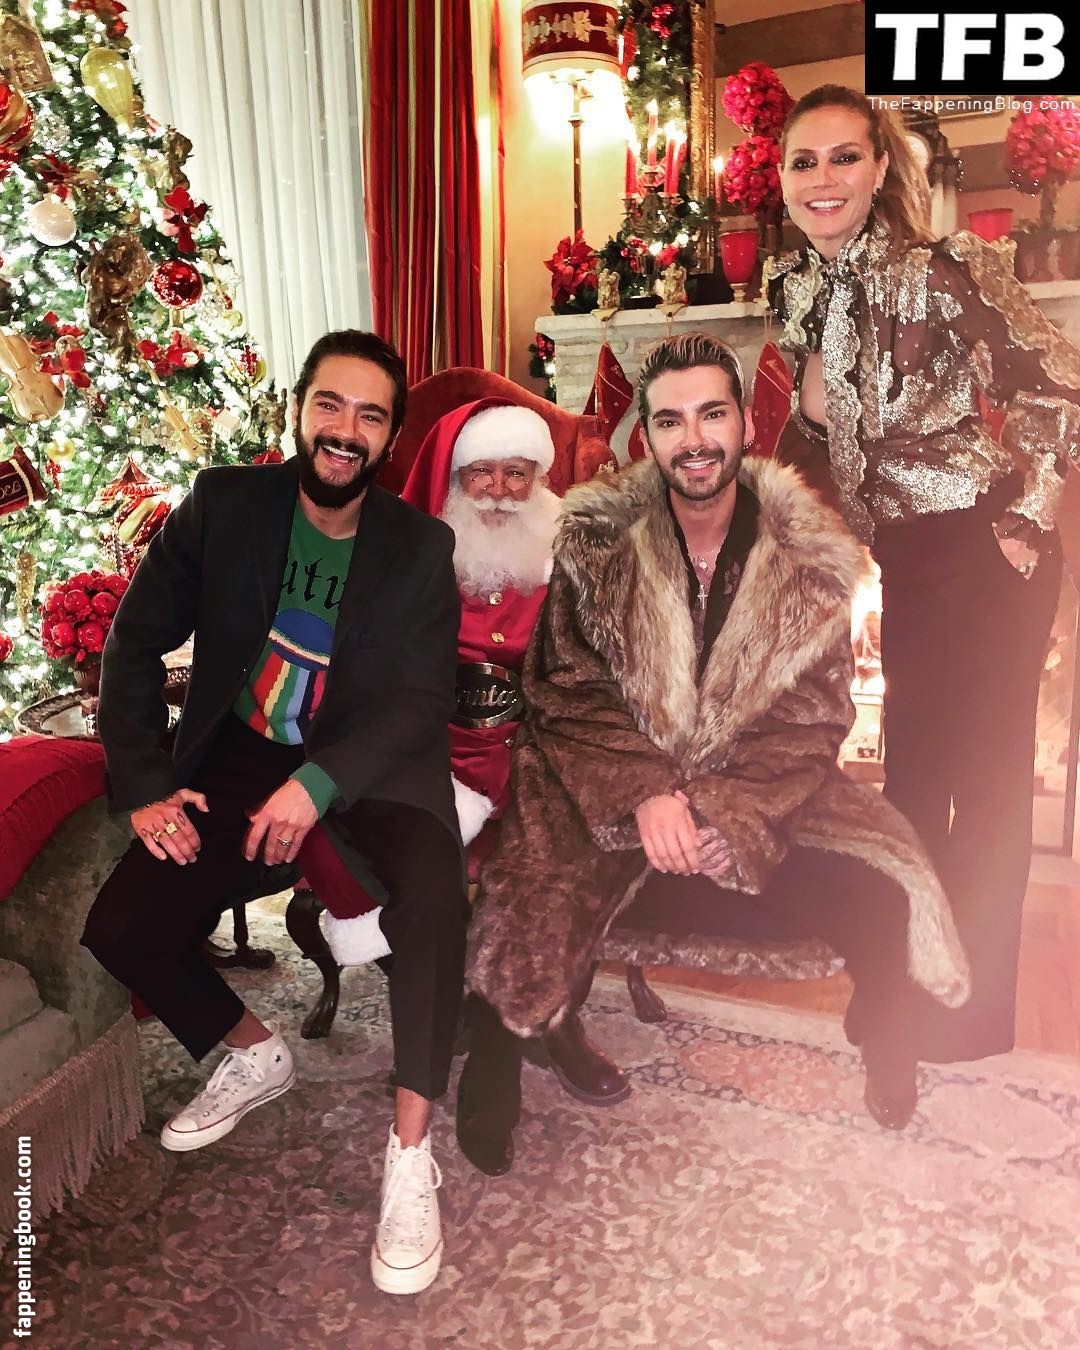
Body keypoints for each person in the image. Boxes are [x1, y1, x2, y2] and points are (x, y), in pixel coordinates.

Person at [461, 332, 970, 1170]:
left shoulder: (808, 559)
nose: (693, 439)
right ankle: (506, 1051)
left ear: (745, 423)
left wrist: (724, 810)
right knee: (530, 893)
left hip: (755, 784)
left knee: (885, 879)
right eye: (671, 421)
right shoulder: (595, 544)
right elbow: (566, 692)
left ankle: (886, 1031)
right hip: (608, 782)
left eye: (712, 415)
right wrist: (645, 791)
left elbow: (812, 719)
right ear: (648, 435)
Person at [82, 330, 466, 1297]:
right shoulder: (225, 505)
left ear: (390, 440)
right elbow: (133, 642)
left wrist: (320, 784)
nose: (345, 430)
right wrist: (143, 782)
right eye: (329, 404)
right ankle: (255, 1053)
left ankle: (410, 1155)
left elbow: (420, 702)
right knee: (121, 924)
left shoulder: (421, 547)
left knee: (434, 902)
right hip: (241, 757)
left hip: (369, 764)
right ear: (298, 410)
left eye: (370, 416)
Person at [766, 85, 1080, 1063]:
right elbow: (819, 442)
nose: (822, 178)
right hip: (905, 556)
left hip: (984, 549)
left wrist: (1025, 519)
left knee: (984, 789)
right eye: (803, 161)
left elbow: (1058, 384)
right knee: (912, 781)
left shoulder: (947, 269)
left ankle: (973, 1022)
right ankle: (912, 983)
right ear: (782, 180)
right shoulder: (794, 290)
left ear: (880, 170)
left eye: (844, 157)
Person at [318, 400, 631, 1169]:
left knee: (549, 868)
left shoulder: (575, 560)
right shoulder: (410, 560)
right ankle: (455, 998)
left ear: (540, 479)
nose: (497, 490)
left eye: (516, 473)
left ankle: (530, 1036)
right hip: (428, 760)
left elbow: (604, 681)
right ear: (454, 480)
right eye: (480, 472)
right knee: (383, 852)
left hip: (540, 757)